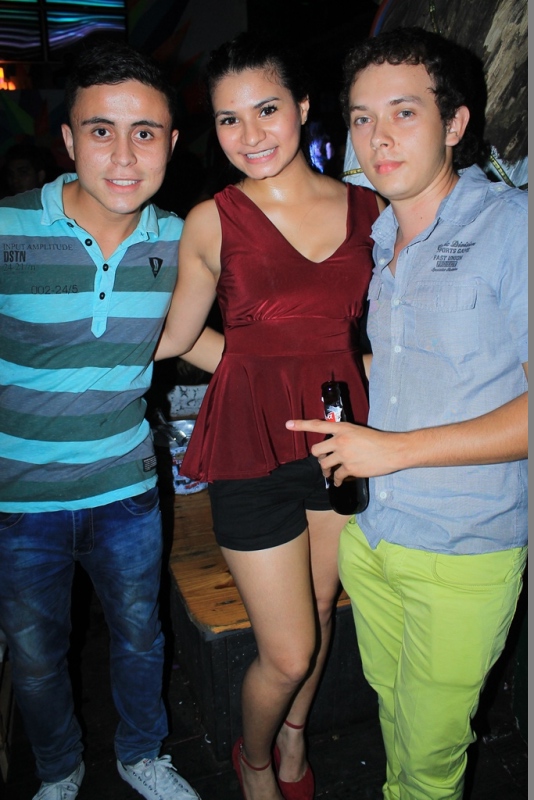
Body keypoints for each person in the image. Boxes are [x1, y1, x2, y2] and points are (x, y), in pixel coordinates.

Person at [286, 27, 528, 800]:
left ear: (454, 124)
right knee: (396, 720)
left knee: (428, 766)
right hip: (373, 537)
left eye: (403, 112)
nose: (378, 136)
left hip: (463, 551)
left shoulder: (511, 227)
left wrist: (393, 449)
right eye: (362, 117)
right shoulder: (380, 236)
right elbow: (415, 366)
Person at [154, 31, 383, 800]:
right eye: (228, 119)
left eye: (266, 110)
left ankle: (293, 736)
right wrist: (254, 366)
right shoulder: (212, 219)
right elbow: (177, 337)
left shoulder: (369, 208)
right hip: (249, 446)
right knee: (286, 652)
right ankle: (252, 758)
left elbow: (384, 333)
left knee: (320, 610)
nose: (248, 135)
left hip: (340, 440)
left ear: (304, 107)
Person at [0, 38, 221, 800]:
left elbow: (191, 337)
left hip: (126, 490)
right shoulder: (6, 231)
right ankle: (59, 770)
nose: (124, 156)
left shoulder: (180, 239)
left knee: (140, 636)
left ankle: (142, 754)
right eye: (102, 130)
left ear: (172, 143)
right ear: (68, 139)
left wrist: (285, 381)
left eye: (145, 132)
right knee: (35, 657)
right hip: (18, 498)